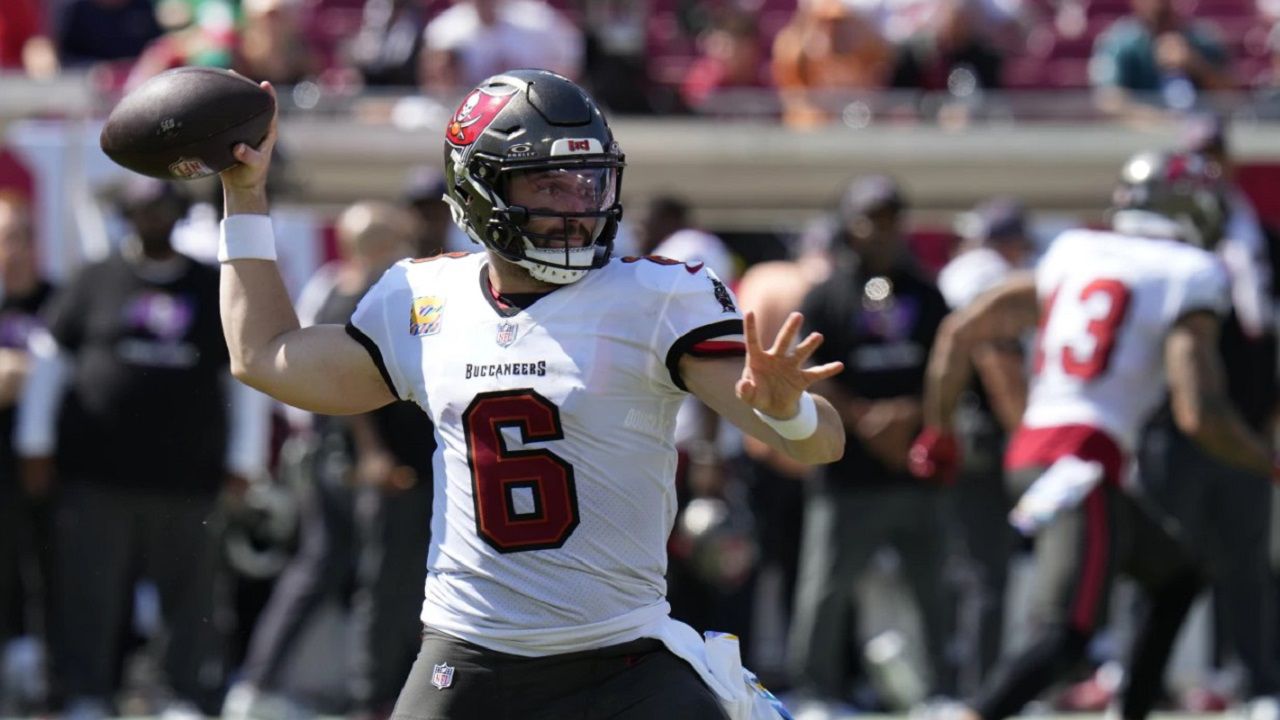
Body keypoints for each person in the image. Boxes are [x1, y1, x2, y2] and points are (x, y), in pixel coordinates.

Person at [216, 68, 844, 719]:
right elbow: (264, 357)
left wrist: (786, 410)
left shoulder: (657, 300)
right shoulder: (423, 300)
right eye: (548, 183)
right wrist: (244, 194)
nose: (576, 206)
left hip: (623, 659)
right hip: (471, 657)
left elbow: (823, 444)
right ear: (480, 187)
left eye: (589, 180)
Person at [909, 150, 1276, 720]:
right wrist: (1266, 460)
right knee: (1068, 635)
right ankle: (975, 713)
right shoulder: (1189, 273)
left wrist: (939, 430)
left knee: (1176, 577)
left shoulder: (1075, 251)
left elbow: (961, 331)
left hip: (1044, 450)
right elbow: (1198, 410)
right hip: (1081, 461)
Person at [14, 178, 269, 720]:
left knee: (192, 598)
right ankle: (86, 694)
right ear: (126, 216)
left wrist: (245, 461)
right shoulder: (93, 279)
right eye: (144, 209)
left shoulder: (209, 286)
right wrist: (34, 446)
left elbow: (241, 378)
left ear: (180, 215)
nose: (154, 217)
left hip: (188, 479)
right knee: (89, 594)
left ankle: (184, 697)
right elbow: (49, 363)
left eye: (165, 208)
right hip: (95, 476)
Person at [222, 201, 425, 719]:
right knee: (381, 583)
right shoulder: (359, 298)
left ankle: (263, 682)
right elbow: (347, 389)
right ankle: (368, 697)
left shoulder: (337, 288)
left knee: (326, 570)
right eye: (397, 241)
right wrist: (374, 453)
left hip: (342, 464)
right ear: (377, 246)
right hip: (371, 470)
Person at [787, 175, 953, 710]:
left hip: (915, 470)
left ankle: (941, 692)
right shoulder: (826, 294)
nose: (881, 232)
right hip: (847, 472)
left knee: (933, 589)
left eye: (890, 220)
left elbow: (948, 368)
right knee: (827, 591)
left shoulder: (927, 294)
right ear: (848, 227)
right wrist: (864, 420)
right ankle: (816, 691)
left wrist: (911, 416)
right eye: (869, 220)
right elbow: (807, 368)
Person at [933, 197, 1034, 696]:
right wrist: (1029, 440)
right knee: (988, 573)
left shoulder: (953, 272)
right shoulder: (991, 276)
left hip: (943, 436)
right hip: (981, 440)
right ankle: (981, 690)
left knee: (955, 568)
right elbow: (998, 363)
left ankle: (949, 684)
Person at [0, 193, 55, 714]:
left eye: (23, 236)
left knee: (52, 572)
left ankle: (47, 677)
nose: (15, 249)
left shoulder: (58, 301)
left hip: (54, 471)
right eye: (6, 237)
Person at [1089, 0, 1232, 120]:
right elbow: (1108, 100)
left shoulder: (1202, 38)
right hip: (1138, 140)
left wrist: (1194, 64)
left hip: (1200, 137)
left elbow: (1230, 97)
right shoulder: (1119, 41)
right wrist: (1158, 119)